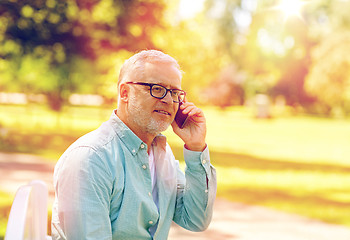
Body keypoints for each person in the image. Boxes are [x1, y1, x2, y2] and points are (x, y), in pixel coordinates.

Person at [51, 50, 217, 239]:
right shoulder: (91, 159)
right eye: (157, 88)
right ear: (125, 93)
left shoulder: (162, 154)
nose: (169, 100)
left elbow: (195, 219)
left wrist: (196, 147)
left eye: (175, 92)